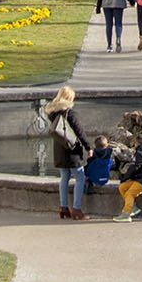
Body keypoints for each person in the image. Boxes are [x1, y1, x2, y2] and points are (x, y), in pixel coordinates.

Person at [41, 87, 89, 220]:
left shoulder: (53, 114)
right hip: (72, 151)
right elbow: (79, 132)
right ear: (69, 98)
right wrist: (88, 147)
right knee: (80, 178)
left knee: (64, 178)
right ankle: (77, 209)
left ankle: (63, 208)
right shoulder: (70, 114)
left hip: (59, 150)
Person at [114, 136, 142, 221]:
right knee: (122, 187)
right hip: (141, 178)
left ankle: (126, 213)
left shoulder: (139, 153)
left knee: (130, 193)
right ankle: (133, 208)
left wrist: (125, 177)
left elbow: (135, 167)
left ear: (136, 143)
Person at [84, 133, 115, 208]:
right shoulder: (110, 153)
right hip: (105, 177)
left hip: (93, 178)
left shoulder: (93, 154)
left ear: (95, 145)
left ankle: (88, 182)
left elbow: (86, 166)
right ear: (106, 145)